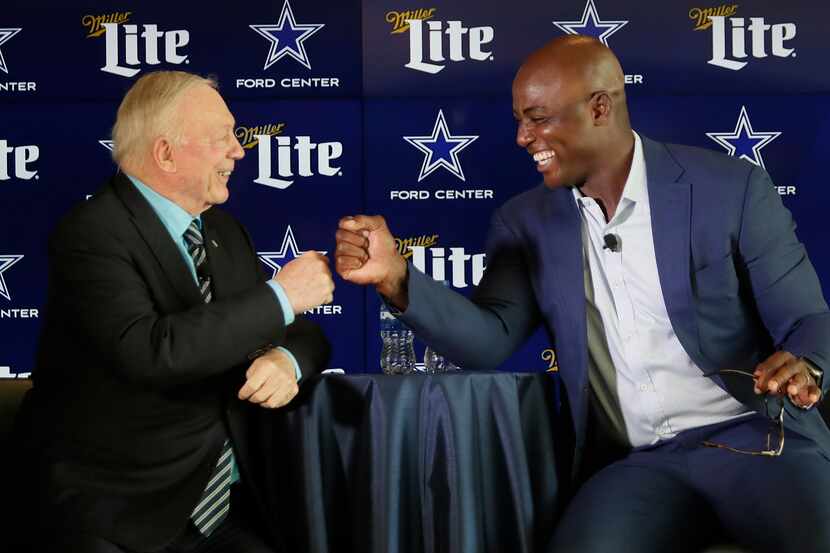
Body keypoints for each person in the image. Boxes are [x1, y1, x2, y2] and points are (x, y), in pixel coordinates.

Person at [334, 36, 830, 553]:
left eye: (538, 118)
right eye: (520, 120)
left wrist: (807, 366)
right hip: (640, 465)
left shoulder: (731, 188)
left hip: (754, 437)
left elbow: (809, 319)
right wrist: (396, 278)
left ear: (599, 108)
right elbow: (489, 340)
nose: (523, 137)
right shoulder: (524, 221)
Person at [23, 71, 333, 552]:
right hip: (117, 517)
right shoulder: (92, 234)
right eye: (221, 138)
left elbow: (304, 333)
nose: (239, 150)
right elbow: (152, 352)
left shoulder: (224, 233)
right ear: (166, 153)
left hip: (219, 511)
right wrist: (281, 297)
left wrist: (284, 360)